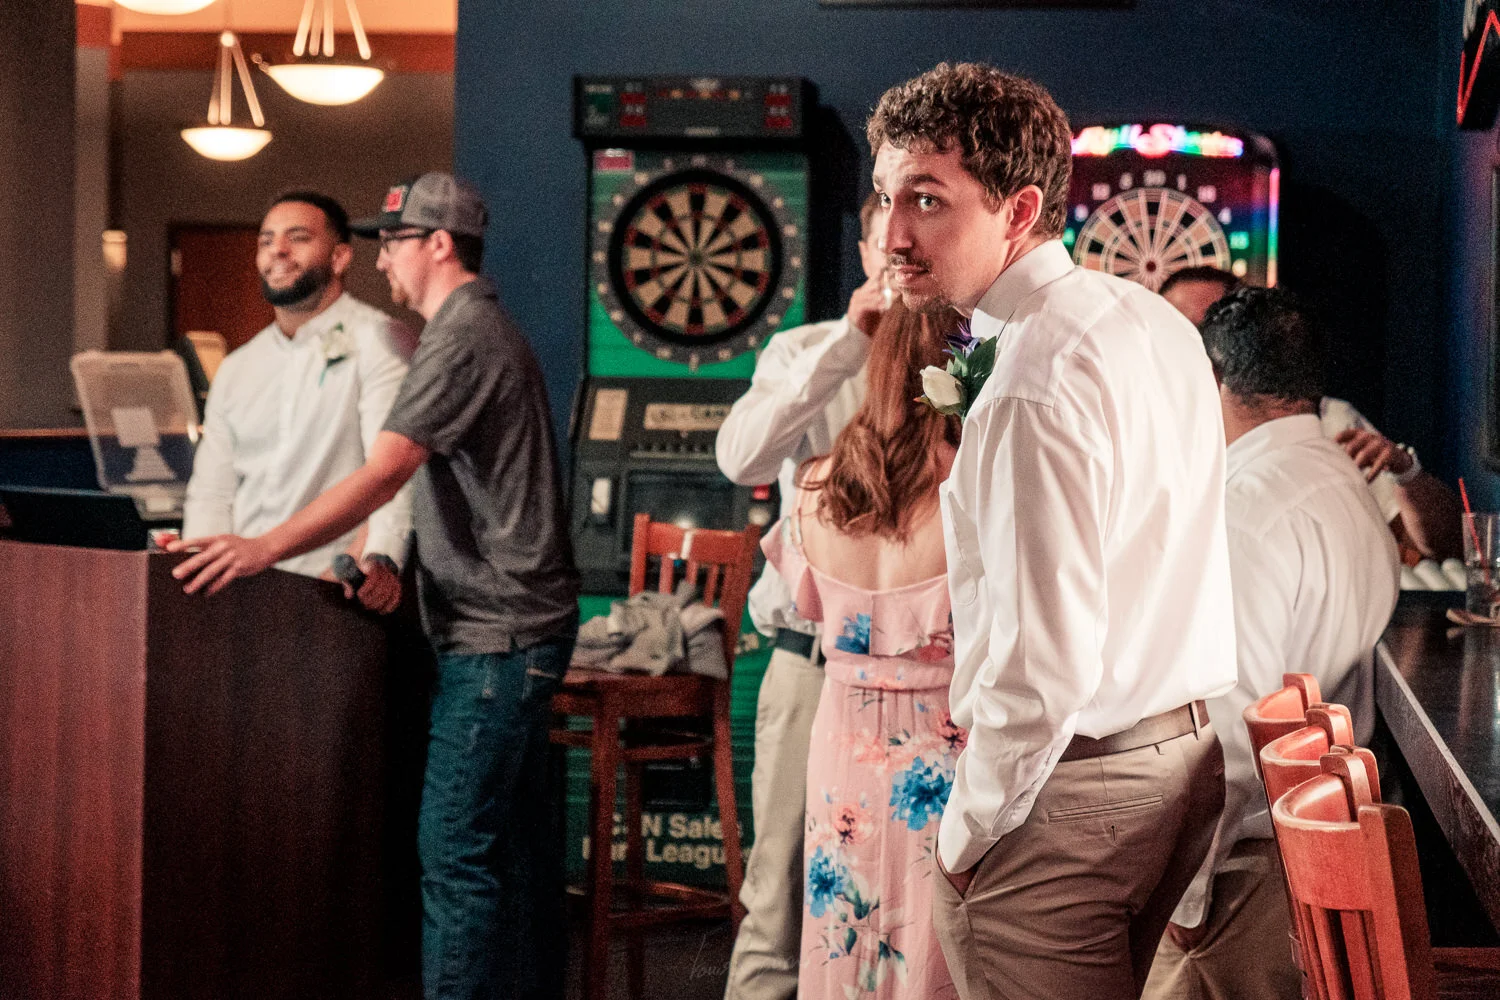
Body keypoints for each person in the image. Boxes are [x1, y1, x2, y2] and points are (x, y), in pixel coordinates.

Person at [869, 63, 1237, 1000]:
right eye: (886, 196)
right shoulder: (1151, 320)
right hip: (1179, 758)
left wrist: (967, 838)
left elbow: (1043, 667)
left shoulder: (1030, 377)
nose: (893, 234)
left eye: (927, 200)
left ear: (1020, 210)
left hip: (1073, 791)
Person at [171, 172, 580, 1000]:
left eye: (394, 242)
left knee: (454, 854)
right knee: (503, 855)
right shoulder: (462, 329)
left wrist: (262, 549)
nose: (383, 258)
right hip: (506, 629)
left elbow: (388, 469)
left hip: (497, 633)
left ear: (439, 244)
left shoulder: (458, 335)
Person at [1142, 286, 1400, 1000]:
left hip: (1242, 871)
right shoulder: (1344, 482)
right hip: (1308, 846)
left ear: (1214, 378)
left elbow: (1229, 729)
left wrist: (1187, 900)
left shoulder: (1243, 511)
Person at [761, 301, 962, 999]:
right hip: (945, 754)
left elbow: (800, 602)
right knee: (931, 946)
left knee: (842, 936)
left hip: (842, 747)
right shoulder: (971, 490)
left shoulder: (814, 489)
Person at [716, 191, 886, 1000]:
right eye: (888, 242)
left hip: (932, 680)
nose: (903, 257)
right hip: (814, 665)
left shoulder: (971, 358)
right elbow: (743, 458)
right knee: (779, 897)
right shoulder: (804, 349)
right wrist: (849, 345)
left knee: (895, 904)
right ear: (866, 252)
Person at [182, 190, 413, 607]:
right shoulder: (237, 367)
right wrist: (202, 568)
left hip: (333, 589)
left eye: (298, 237)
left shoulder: (380, 340)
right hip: (242, 592)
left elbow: (394, 473)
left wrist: (378, 557)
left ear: (340, 257)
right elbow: (212, 492)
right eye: (267, 240)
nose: (279, 251)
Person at [1160, 265, 1461, 560]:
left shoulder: (1325, 421)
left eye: (1207, 329)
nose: (1194, 346)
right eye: (1177, 330)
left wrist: (1407, 472)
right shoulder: (1147, 430)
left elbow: (1436, 545)